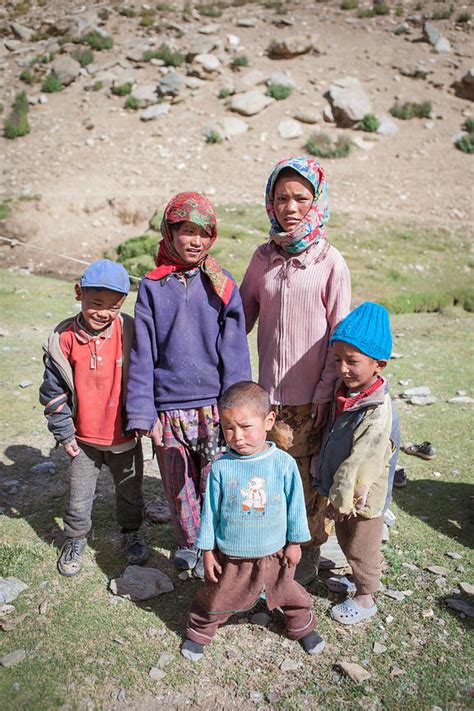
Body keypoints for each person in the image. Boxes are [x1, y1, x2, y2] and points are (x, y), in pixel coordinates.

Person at [125, 192, 251, 579]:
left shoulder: (222, 284)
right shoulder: (151, 286)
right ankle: (188, 543)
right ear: (170, 232)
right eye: (187, 231)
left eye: (203, 232)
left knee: (215, 478)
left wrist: (237, 406)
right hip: (168, 410)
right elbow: (142, 353)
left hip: (214, 407)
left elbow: (235, 350)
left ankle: (219, 541)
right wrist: (144, 412)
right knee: (178, 484)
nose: (195, 241)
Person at [240, 156, 351, 584]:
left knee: (306, 488)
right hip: (266, 402)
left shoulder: (330, 262)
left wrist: (325, 392)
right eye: (281, 197)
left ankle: (300, 570)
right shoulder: (263, 257)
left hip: (311, 401)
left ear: (317, 201)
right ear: (270, 201)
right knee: (266, 483)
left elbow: (338, 337)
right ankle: (265, 560)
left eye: (301, 198)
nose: (290, 207)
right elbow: (240, 319)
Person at [181, 381, 325, 662]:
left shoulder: (283, 463)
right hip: (232, 554)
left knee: (289, 592)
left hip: (274, 553)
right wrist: (208, 551)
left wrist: (295, 544)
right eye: (228, 428)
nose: (237, 436)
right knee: (216, 596)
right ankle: (199, 632)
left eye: (246, 427)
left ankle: (302, 625)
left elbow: (296, 507)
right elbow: (210, 511)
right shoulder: (221, 467)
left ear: (269, 420)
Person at [39, 259, 148, 577]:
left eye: (112, 306)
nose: (102, 312)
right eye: (95, 303)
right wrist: (63, 431)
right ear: (78, 293)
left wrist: (142, 416)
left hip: (124, 438)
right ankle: (74, 538)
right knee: (78, 496)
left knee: (130, 491)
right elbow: (53, 391)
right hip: (82, 441)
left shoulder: (128, 330)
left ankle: (132, 533)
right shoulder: (64, 339)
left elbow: (145, 376)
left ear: (123, 303)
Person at [312, 302, 395, 624]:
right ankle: (358, 581)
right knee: (347, 540)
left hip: (361, 497)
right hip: (345, 494)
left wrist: (341, 500)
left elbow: (361, 464)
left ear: (379, 364)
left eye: (353, 361)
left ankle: (365, 597)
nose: (343, 368)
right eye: (338, 360)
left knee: (362, 545)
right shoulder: (348, 391)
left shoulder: (375, 411)